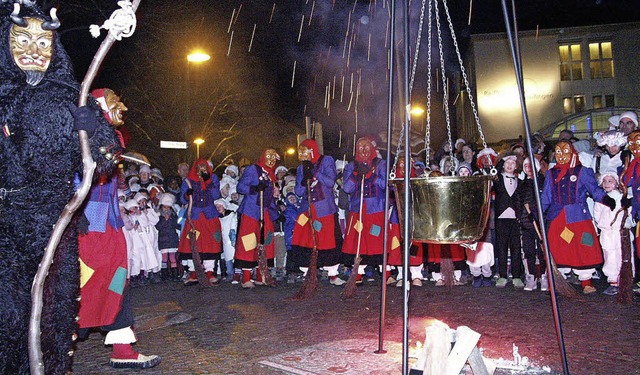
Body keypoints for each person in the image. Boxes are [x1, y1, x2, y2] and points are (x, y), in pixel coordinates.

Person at [0, 3, 130, 372]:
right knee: (8, 315)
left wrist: (92, 129)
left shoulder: (71, 97)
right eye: (23, 39)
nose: (33, 50)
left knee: (54, 316)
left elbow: (106, 157)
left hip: (55, 224)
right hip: (7, 225)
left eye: (44, 42)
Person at [542, 140, 615, 294]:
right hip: (557, 217)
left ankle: (586, 281)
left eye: (565, 151)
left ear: (573, 152)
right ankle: (558, 279)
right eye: (558, 151)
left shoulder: (582, 171)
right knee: (559, 247)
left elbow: (594, 190)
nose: (561, 155)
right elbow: (546, 197)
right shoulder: (551, 173)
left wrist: (605, 199)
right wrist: (538, 212)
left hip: (578, 217)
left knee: (583, 246)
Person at [342, 136, 397, 282]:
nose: (363, 150)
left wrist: (370, 175)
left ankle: (386, 273)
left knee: (377, 239)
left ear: (372, 148)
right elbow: (347, 188)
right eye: (360, 147)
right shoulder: (351, 166)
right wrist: (356, 175)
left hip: (376, 209)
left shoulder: (381, 164)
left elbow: (386, 184)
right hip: (358, 209)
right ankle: (358, 273)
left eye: (366, 147)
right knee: (358, 240)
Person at [291, 139, 345, 286]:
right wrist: (303, 181)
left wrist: (315, 174)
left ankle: (333, 274)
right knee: (305, 240)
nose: (303, 154)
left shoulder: (326, 160)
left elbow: (330, 181)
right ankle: (308, 272)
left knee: (328, 240)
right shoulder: (301, 168)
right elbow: (298, 191)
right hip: (306, 209)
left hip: (324, 209)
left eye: (305, 150)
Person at [234, 148, 280, 288]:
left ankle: (262, 274)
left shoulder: (272, 175)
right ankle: (246, 277)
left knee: (266, 240)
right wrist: (254, 188)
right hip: (251, 211)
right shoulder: (253, 169)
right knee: (248, 242)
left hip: (265, 211)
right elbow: (241, 187)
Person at [177, 159, 223, 285]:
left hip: (209, 216)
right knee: (192, 243)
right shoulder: (188, 180)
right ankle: (194, 271)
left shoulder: (213, 178)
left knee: (210, 244)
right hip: (194, 217)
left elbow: (215, 195)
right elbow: (183, 199)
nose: (202, 170)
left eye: (204, 168)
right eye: (200, 168)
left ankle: (209, 271)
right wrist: (187, 195)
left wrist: (208, 181)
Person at [593, 172, 630, 296]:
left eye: (610, 181)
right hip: (607, 232)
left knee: (622, 254)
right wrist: (604, 225)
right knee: (609, 256)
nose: (607, 184)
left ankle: (625, 280)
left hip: (620, 232)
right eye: (604, 181)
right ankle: (613, 281)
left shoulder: (621, 197)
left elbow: (627, 214)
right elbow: (597, 216)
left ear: (616, 183)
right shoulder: (601, 200)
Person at [515, 157, 548, 291]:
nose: (528, 168)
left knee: (542, 250)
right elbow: (518, 203)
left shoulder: (543, 182)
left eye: (531, 165)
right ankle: (531, 277)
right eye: (526, 166)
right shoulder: (522, 185)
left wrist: (540, 216)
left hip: (540, 222)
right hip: (526, 223)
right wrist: (520, 217)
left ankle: (545, 277)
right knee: (528, 251)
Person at [493, 154, 524, 288]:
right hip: (501, 218)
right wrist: (502, 160)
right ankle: (503, 275)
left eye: (512, 163)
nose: (510, 165)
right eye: (507, 163)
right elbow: (495, 171)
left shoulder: (520, 181)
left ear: (516, 166)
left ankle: (516, 276)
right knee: (501, 247)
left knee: (516, 247)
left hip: (515, 219)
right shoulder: (498, 179)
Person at [156, 193, 181, 281]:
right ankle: (164, 275)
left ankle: (174, 275)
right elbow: (158, 227)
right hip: (163, 241)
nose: (166, 209)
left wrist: (171, 220)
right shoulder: (159, 218)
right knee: (164, 258)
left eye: (168, 207)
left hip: (172, 240)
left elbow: (178, 226)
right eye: (164, 207)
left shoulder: (174, 217)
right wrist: (164, 221)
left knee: (173, 258)